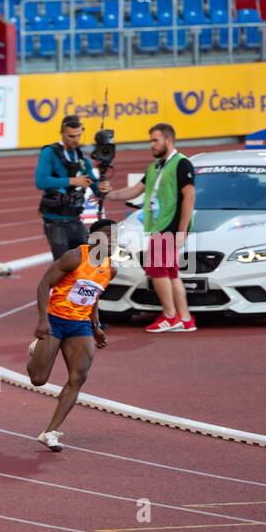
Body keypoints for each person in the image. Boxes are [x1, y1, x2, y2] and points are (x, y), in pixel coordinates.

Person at [27, 219, 119, 451]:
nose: (113, 240)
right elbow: (43, 284)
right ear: (94, 237)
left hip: (80, 326)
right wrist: (42, 320)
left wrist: (95, 325)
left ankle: (50, 432)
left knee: (78, 377)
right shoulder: (75, 257)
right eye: (108, 235)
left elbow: (93, 296)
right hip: (56, 321)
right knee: (38, 379)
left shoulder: (111, 268)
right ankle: (35, 350)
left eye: (116, 236)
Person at [104, 122, 196, 333]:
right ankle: (185, 318)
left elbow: (189, 197)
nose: (151, 145)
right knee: (171, 274)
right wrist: (108, 194)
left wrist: (182, 232)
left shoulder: (182, 164)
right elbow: (134, 191)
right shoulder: (155, 167)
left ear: (169, 140)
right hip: (158, 226)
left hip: (169, 227)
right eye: (150, 141)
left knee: (156, 270)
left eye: (155, 140)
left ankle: (169, 316)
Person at [34, 114, 109, 260]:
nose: (75, 140)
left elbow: (96, 189)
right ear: (61, 133)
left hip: (75, 218)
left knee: (85, 262)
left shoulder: (82, 159)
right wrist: (72, 181)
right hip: (54, 220)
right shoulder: (49, 152)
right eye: (71, 136)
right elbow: (41, 182)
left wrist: (103, 187)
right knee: (64, 264)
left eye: (78, 136)